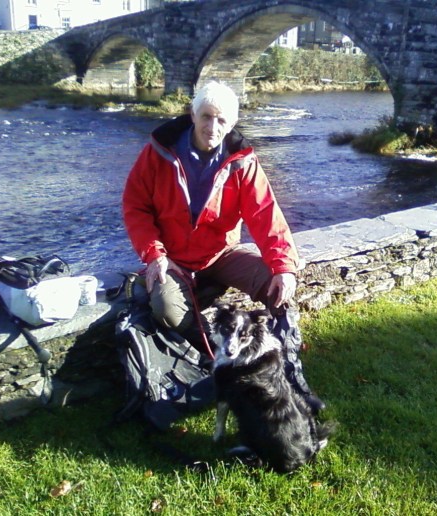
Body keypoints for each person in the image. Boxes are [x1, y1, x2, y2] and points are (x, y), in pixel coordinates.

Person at [122, 81, 323, 413]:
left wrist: (284, 266)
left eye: (222, 121)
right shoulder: (159, 152)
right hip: (173, 259)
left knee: (278, 290)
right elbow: (135, 205)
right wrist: (153, 253)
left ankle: (288, 373)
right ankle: (216, 361)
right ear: (193, 114)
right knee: (165, 308)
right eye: (207, 116)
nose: (212, 127)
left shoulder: (241, 161)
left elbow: (264, 213)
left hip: (221, 254)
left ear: (231, 124)